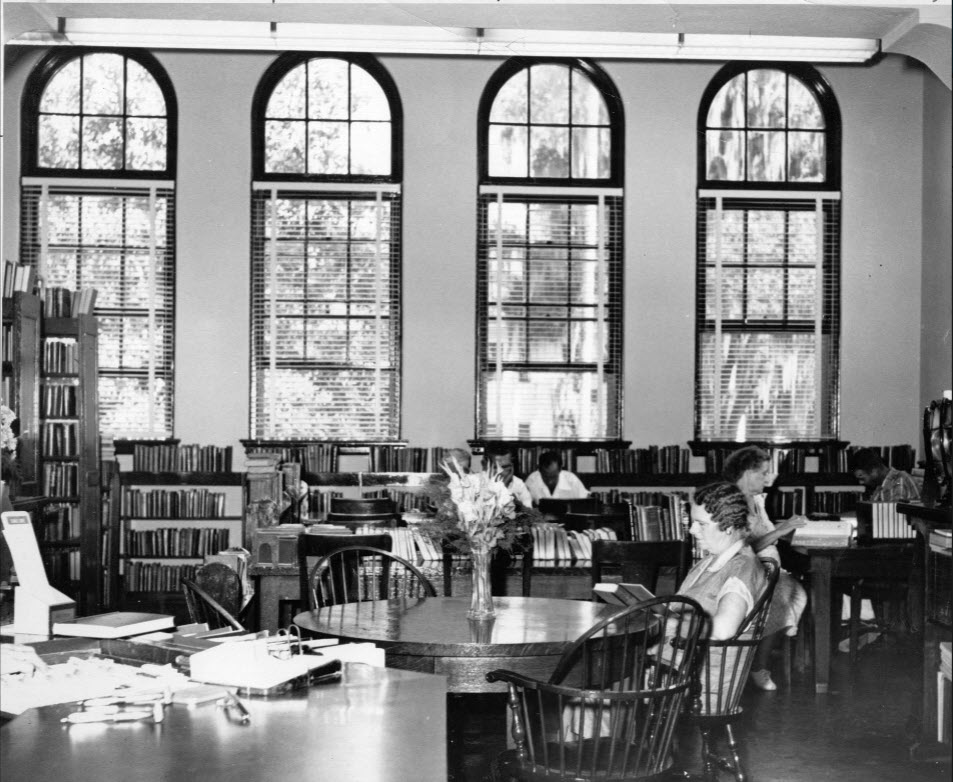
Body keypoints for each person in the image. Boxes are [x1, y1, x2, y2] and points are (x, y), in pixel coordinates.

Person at [723, 446, 808, 691]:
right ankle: (757, 666)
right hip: (746, 571)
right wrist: (783, 530)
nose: (768, 478)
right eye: (763, 473)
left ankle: (756, 661)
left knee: (793, 592)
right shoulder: (733, 502)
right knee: (782, 598)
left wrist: (789, 528)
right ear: (747, 473)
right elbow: (743, 547)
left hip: (766, 570)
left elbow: (766, 533)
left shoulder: (756, 500)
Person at [849, 448, 921, 502]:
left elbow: (893, 516)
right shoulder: (881, 486)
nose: (860, 482)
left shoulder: (899, 481)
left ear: (874, 471)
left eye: (862, 478)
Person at [524, 450, 589, 504]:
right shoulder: (532, 481)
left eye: (553, 477)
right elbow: (525, 506)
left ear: (560, 469)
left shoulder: (572, 480)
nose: (550, 481)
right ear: (539, 470)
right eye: (546, 477)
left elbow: (586, 500)